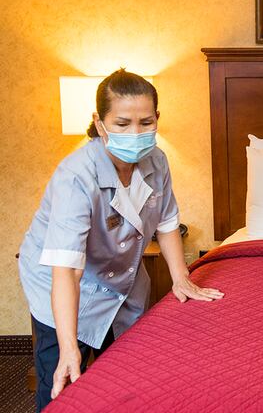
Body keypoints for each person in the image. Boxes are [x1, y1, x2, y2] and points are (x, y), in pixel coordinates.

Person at [18, 69, 224, 411]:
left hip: (122, 280)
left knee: (127, 377)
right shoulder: (76, 176)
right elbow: (67, 272)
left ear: (157, 118)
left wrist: (181, 279)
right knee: (62, 381)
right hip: (64, 286)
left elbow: (168, 222)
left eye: (145, 122)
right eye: (123, 123)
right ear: (100, 124)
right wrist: (70, 347)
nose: (136, 133)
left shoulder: (156, 160)